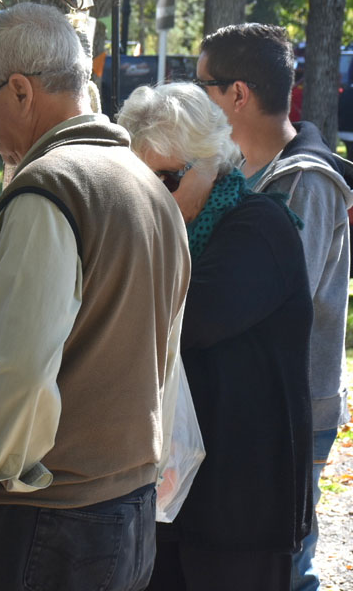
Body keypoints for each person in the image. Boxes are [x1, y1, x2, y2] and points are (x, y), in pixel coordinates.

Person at [0, 3, 190, 591]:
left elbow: (25, 369)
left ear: (21, 91)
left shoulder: (49, 190)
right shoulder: (148, 186)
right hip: (119, 508)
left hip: (41, 526)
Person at [118, 82, 315, 591]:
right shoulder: (161, 234)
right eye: (140, 180)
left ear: (210, 161)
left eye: (167, 178)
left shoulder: (260, 226)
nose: (152, 194)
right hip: (170, 500)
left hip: (242, 506)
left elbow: (186, 323)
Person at [195, 23, 353, 591]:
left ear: (238, 94)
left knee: (285, 564)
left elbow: (271, 301)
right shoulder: (239, 171)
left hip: (292, 411)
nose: (195, 99)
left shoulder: (305, 181)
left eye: (202, 86)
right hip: (243, 404)